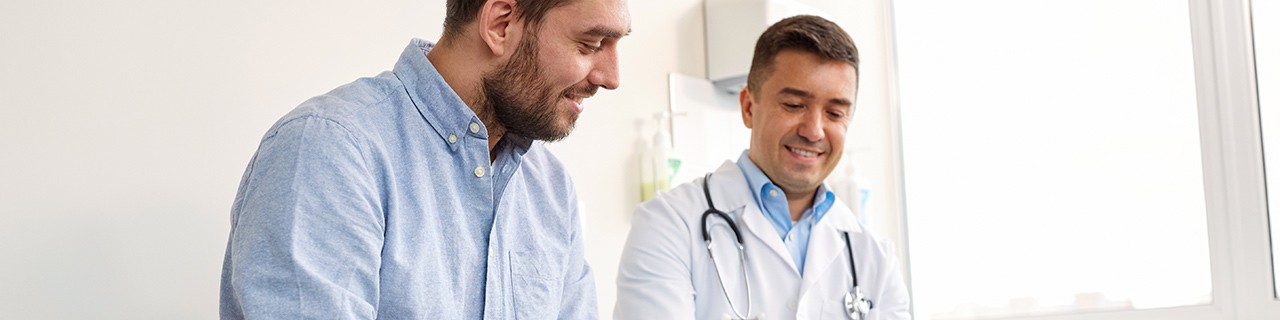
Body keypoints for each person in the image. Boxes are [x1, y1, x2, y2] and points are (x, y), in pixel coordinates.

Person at [219, 0, 630, 318]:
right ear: (501, 24)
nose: (611, 78)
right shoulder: (332, 151)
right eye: (590, 45)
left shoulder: (551, 189)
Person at [614, 15, 909, 320]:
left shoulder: (875, 260)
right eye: (794, 105)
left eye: (835, 113)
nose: (814, 131)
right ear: (748, 107)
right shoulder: (668, 224)